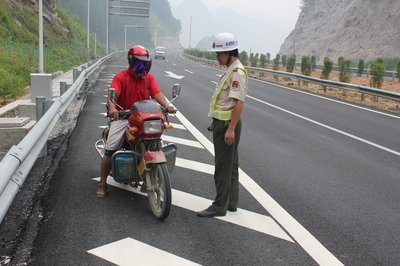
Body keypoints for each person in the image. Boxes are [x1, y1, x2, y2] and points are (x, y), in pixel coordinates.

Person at [96, 45, 175, 198]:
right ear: (131, 62)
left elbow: (157, 93)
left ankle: (148, 165)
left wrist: (167, 106)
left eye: (145, 63)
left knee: (156, 139)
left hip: (144, 119)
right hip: (124, 118)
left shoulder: (148, 78)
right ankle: (102, 183)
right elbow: (112, 95)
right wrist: (113, 108)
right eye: (140, 63)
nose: (142, 66)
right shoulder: (121, 77)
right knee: (111, 148)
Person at [197, 33, 248, 217]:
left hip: (227, 126)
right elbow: (225, 101)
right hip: (222, 122)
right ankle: (231, 203)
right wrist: (214, 120)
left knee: (222, 168)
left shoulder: (237, 72)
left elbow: (239, 102)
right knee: (231, 166)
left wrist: (231, 128)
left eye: (219, 53)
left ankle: (219, 206)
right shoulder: (230, 69)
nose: (217, 57)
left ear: (229, 52)